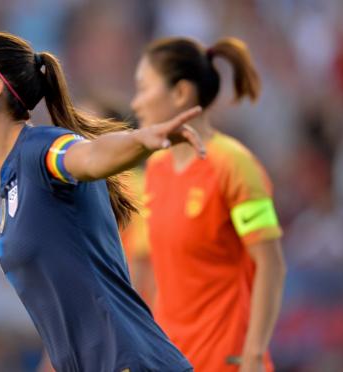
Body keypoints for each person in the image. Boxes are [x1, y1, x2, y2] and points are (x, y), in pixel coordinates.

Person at [0, 31, 204, 372]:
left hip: (130, 362)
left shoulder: (40, 149)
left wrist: (143, 139)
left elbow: (88, 157)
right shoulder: (13, 180)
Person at [130, 37, 286, 372]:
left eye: (144, 89)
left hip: (226, 360)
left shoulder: (234, 165)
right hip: (170, 360)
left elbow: (271, 265)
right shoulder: (156, 169)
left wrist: (254, 353)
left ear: (181, 93)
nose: (136, 103)